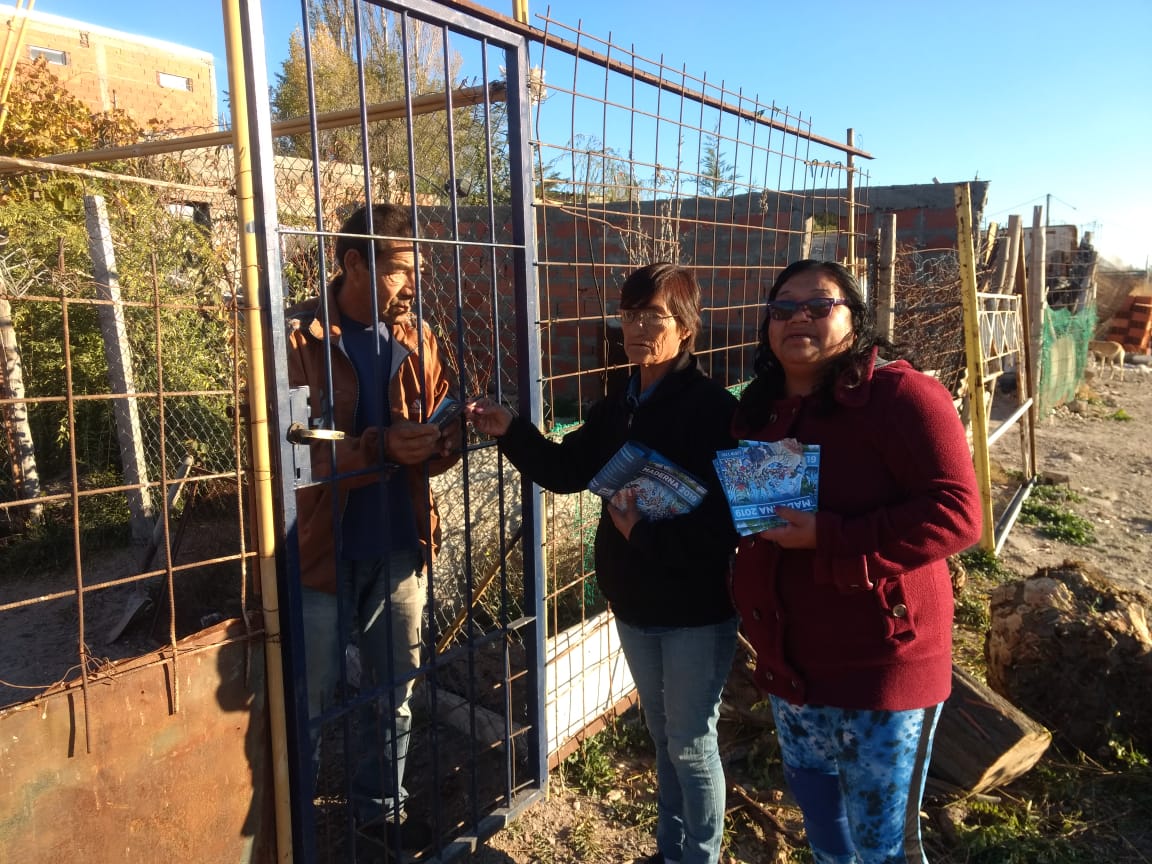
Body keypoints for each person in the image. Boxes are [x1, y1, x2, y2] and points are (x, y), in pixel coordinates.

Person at [467, 262, 739, 864]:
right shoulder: (621, 401)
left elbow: (726, 524)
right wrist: (510, 429)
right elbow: (568, 471)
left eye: (656, 316)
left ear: (686, 327)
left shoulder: (714, 409)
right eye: (630, 315)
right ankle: (672, 851)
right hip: (635, 600)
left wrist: (644, 532)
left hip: (695, 606)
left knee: (692, 744)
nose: (639, 328)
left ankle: (701, 856)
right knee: (666, 736)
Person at [729, 259, 982, 864]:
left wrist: (831, 536)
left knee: (882, 845)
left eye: (819, 305)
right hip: (793, 664)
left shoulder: (900, 396)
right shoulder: (758, 409)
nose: (798, 318)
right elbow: (760, 522)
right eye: (783, 307)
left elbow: (958, 513)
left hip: (881, 666)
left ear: (855, 319)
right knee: (824, 825)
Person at [285, 202, 458, 853]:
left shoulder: (417, 336)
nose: (412, 284)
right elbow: (293, 458)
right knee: (309, 706)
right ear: (355, 262)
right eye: (400, 269)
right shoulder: (297, 340)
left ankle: (379, 812)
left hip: (398, 549)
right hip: (320, 556)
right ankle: (294, 827)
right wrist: (379, 447)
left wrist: (446, 438)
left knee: (395, 696)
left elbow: (435, 431)